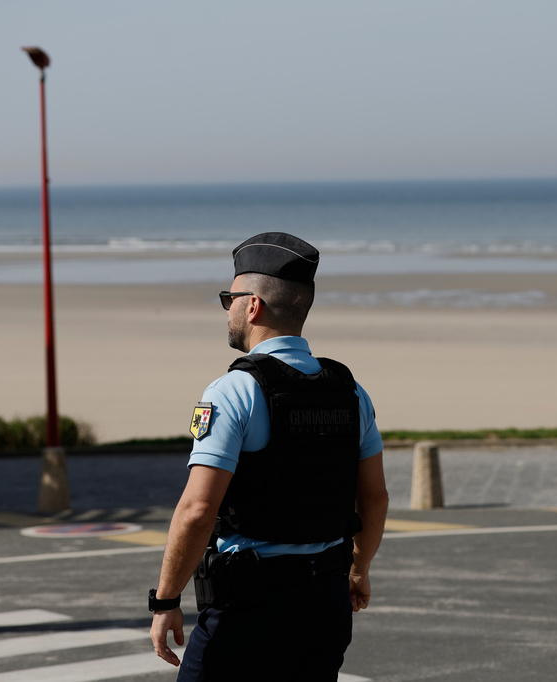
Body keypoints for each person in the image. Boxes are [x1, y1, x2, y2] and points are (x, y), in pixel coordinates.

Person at [149, 232, 389, 681]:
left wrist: (165, 601)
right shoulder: (350, 391)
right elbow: (374, 499)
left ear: (253, 305)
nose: (227, 310)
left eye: (229, 298)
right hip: (325, 604)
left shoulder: (235, 391)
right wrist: (359, 570)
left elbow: (198, 509)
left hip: (250, 608)